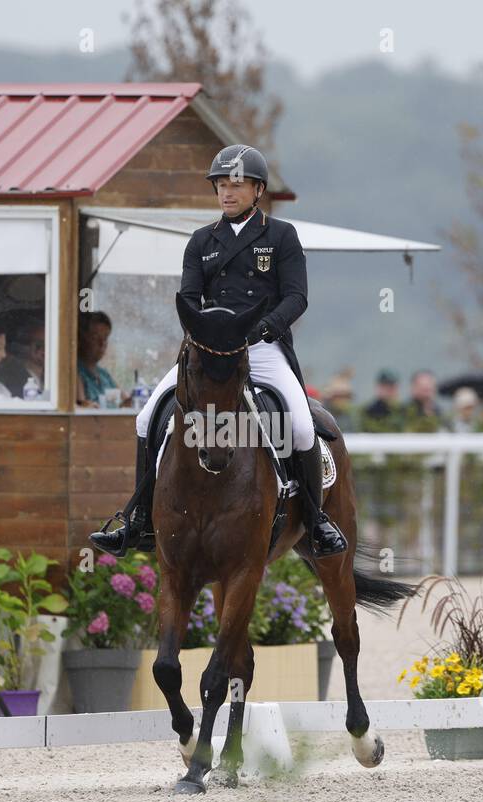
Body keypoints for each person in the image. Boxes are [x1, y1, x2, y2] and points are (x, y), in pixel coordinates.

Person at [90, 144, 347, 558]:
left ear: (258, 190)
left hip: (261, 347)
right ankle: (137, 519)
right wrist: (208, 333)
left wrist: (266, 326)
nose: (227, 192)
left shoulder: (281, 236)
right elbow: (189, 298)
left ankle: (316, 521)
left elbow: (297, 297)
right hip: (210, 350)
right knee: (145, 418)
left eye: (236, 185)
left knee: (300, 425)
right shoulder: (200, 241)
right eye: (221, 185)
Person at [76, 311, 129, 408]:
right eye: (95, 337)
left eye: (105, 338)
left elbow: (125, 402)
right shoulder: (75, 373)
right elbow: (81, 409)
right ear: (80, 339)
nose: (102, 343)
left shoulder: (104, 375)